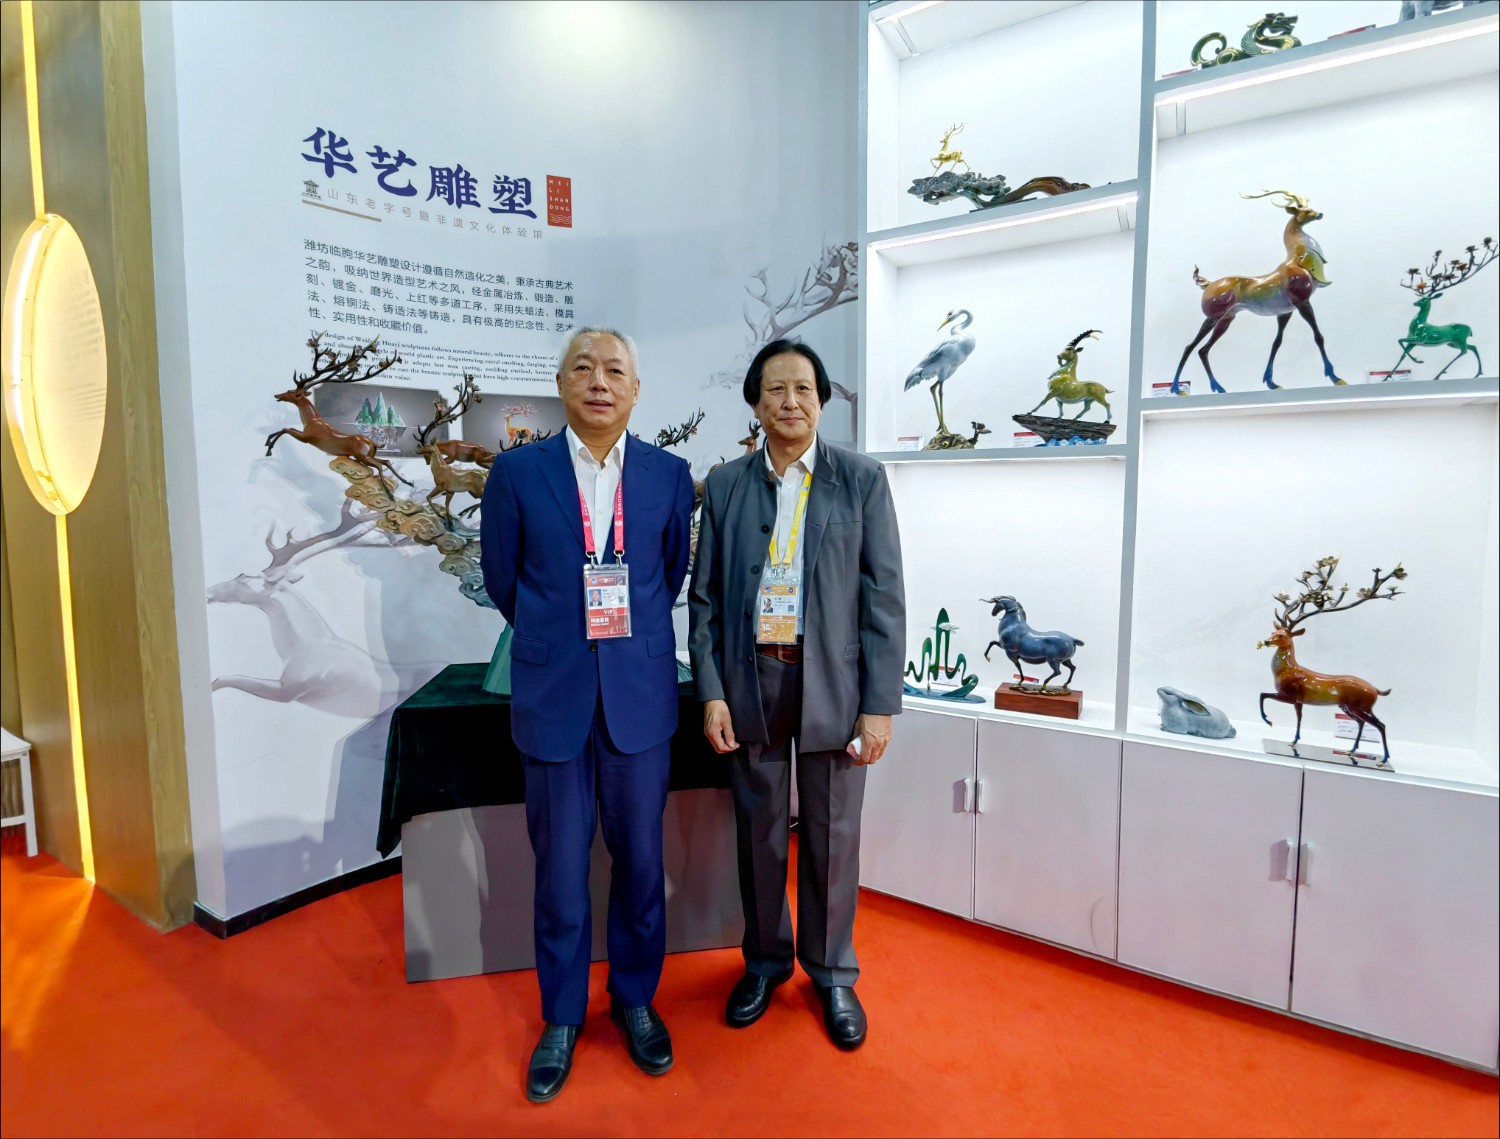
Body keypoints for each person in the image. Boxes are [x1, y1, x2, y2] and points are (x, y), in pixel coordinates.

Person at [480, 326, 695, 1102]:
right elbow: (502, 577)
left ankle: (635, 998)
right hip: (554, 697)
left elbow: (668, 572)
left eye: (614, 370)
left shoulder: (669, 475)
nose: (599, 381)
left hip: (639, 697)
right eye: (583, 367)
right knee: (561, 873)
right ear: (561, 384)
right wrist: (561, 635)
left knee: (640, 864)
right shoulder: (517, 472)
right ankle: (562, 1015)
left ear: (635, 389)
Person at [687, 338, 905, 1050]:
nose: (790, 402)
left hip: (834, 682)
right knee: (758, 832)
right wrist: (712, 692)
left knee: (833, 832)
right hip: (752, 677)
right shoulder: (726, 484)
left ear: (821, 400)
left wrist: (879, 705)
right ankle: (764, 961)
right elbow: (705, 600)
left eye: (803, 389)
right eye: (775, 389)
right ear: (755, 402)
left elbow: (884, 599)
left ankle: (832, 971)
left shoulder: (860, 479)